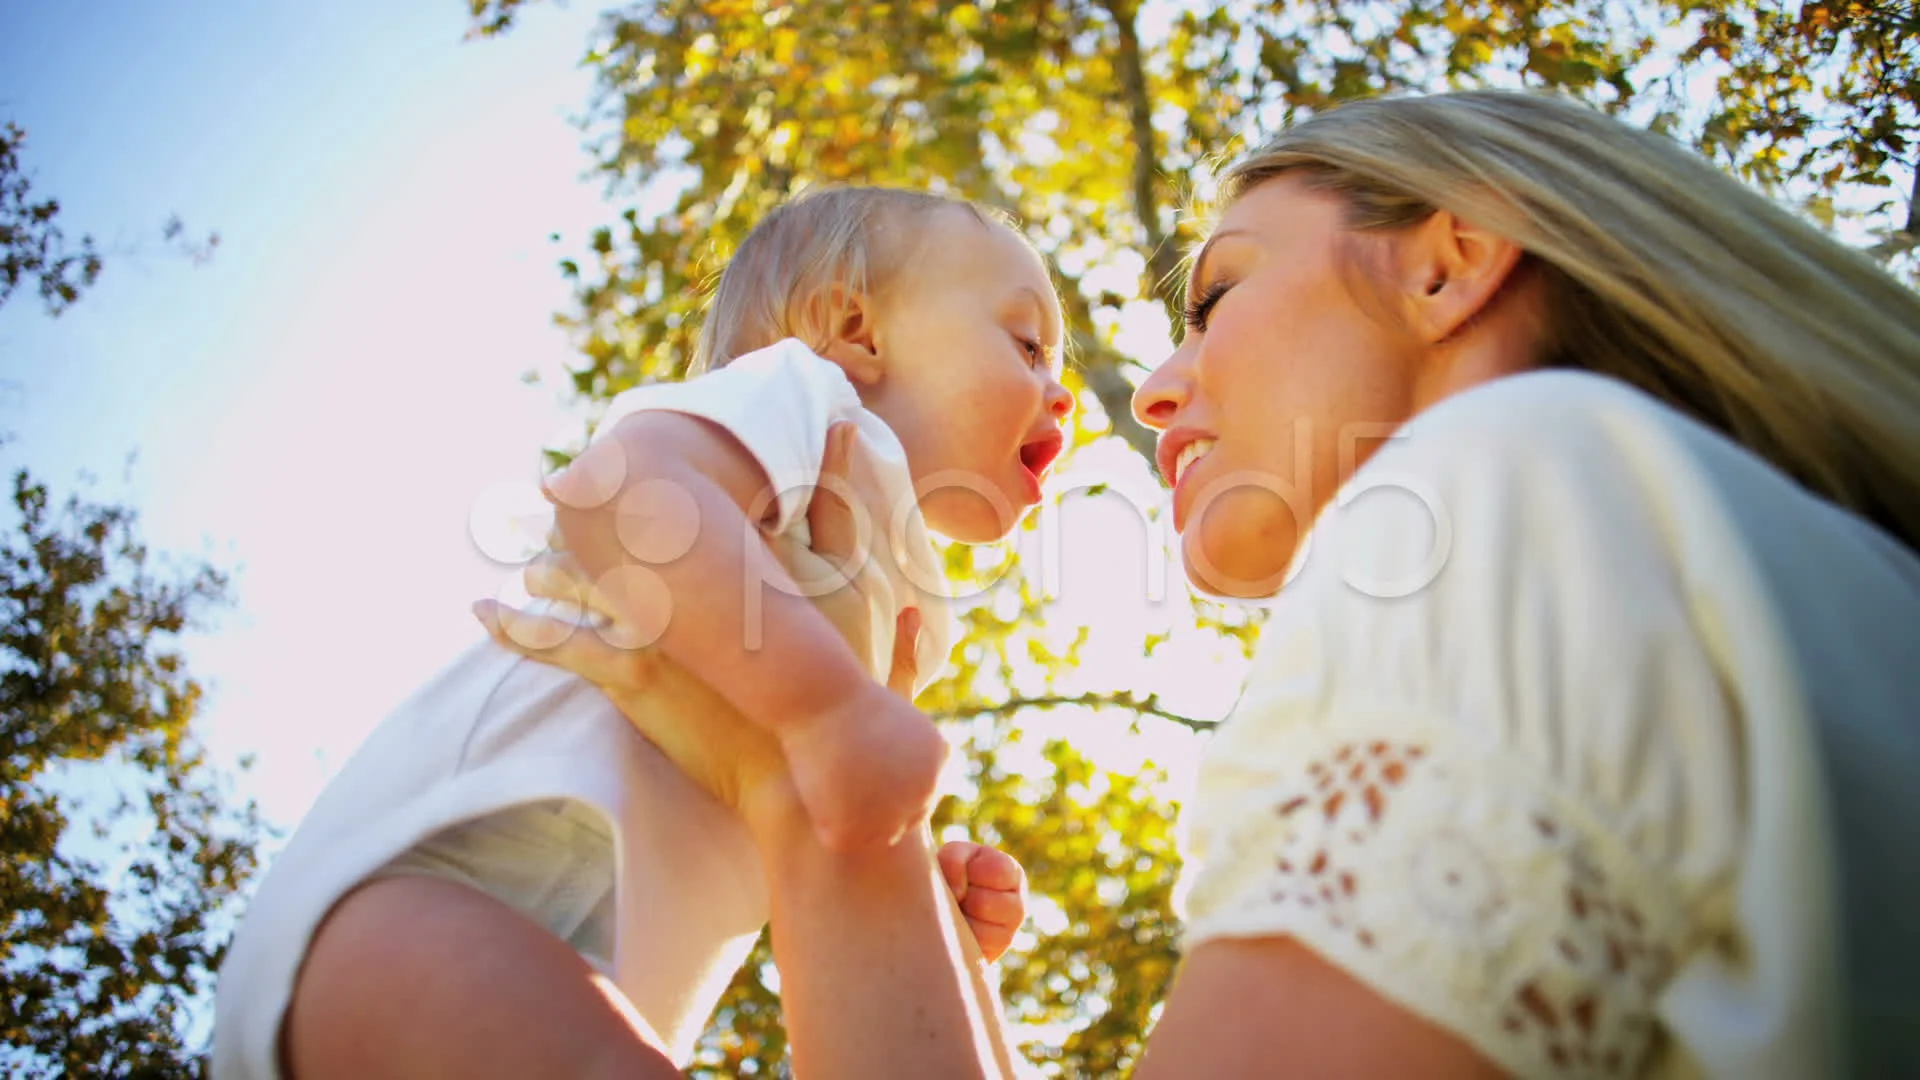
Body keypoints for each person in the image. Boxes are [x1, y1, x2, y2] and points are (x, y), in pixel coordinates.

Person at [489, 91, 1920, 1077]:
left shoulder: (1508, 478)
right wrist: (910, 933)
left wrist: (797, 791)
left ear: (1449, 269)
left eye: (1219, 294)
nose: (1156, 391)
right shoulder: (1789, 585)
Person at [212, 185, 1072, 1078]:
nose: (1061, 393)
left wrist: (917, 913)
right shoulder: (800, 398)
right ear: (856, 333)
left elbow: (780, 790)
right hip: (446, 893)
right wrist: (827, 711)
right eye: (1027, 345)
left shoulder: (893, 579)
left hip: (602, 968)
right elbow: (618, 491)